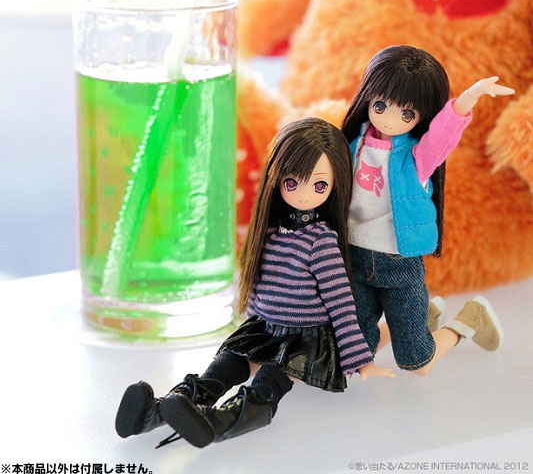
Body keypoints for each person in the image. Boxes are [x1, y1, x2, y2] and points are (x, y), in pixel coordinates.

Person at [115, 117, 393, 449]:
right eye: (292, 182)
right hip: (264, 327)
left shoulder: (321, 242)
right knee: (225, 365)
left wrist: (359, 359)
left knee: (270, 379)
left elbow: (341, 303)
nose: (304, 195)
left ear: (335, 185)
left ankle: (220, 422)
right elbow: (259, 284)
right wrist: (250, 317)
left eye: (319, 186)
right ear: (276, 178)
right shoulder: (269, 232)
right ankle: (160, 411)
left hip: (304, 337)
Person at [341, 45, 513, 375]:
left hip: (399, 262)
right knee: (356, 350)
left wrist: (469, 98)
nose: (389, 119)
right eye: (380, 106)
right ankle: (424, 318)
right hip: (355, 258)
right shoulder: (353, 143)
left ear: (421, 116)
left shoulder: (417, 158)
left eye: (406, 114)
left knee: (416, 362)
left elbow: (443, 135)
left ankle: (468, 320)